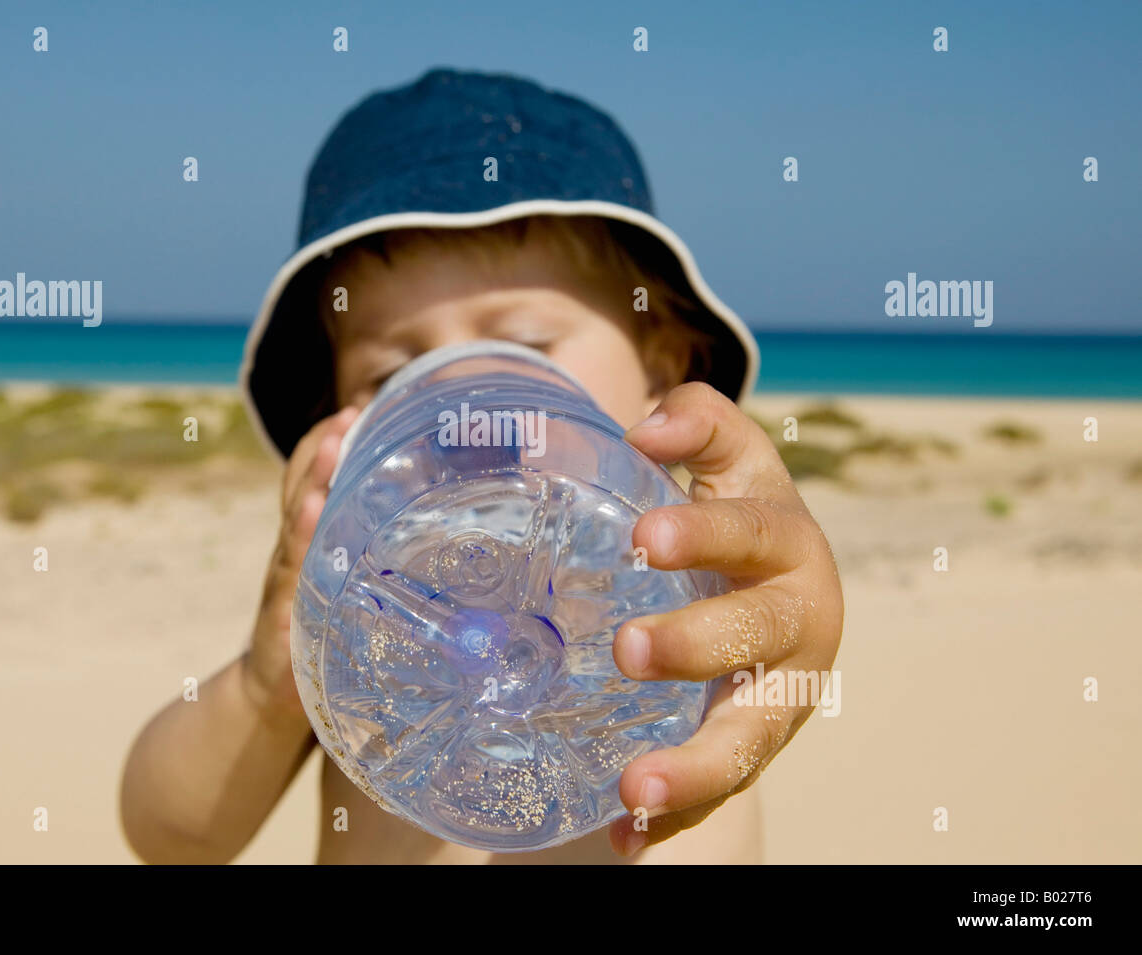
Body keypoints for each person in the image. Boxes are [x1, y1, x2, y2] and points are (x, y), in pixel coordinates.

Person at [120, 67, 843, 864]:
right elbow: (172, 839)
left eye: (526, 347)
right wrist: (268, 684)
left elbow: (776, 642)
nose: (464, 404)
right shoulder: (365, 648)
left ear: (659, 366)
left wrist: (780, 603)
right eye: (390, 375)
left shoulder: (683, 608)